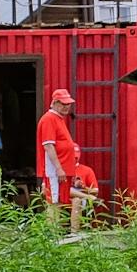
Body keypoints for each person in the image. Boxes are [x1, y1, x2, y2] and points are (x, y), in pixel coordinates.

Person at [36, 89, 83, 232]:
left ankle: (56, 231)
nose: (66, 106)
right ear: (54, 103)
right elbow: (48, 146)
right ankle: (51, 234)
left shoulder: (58, 119)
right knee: (53, 201)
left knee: (59, 200)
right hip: (54, 170)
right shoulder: (49, 119)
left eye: (68, 103)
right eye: (63, 103)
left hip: (60, 169)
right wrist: (59, 168)